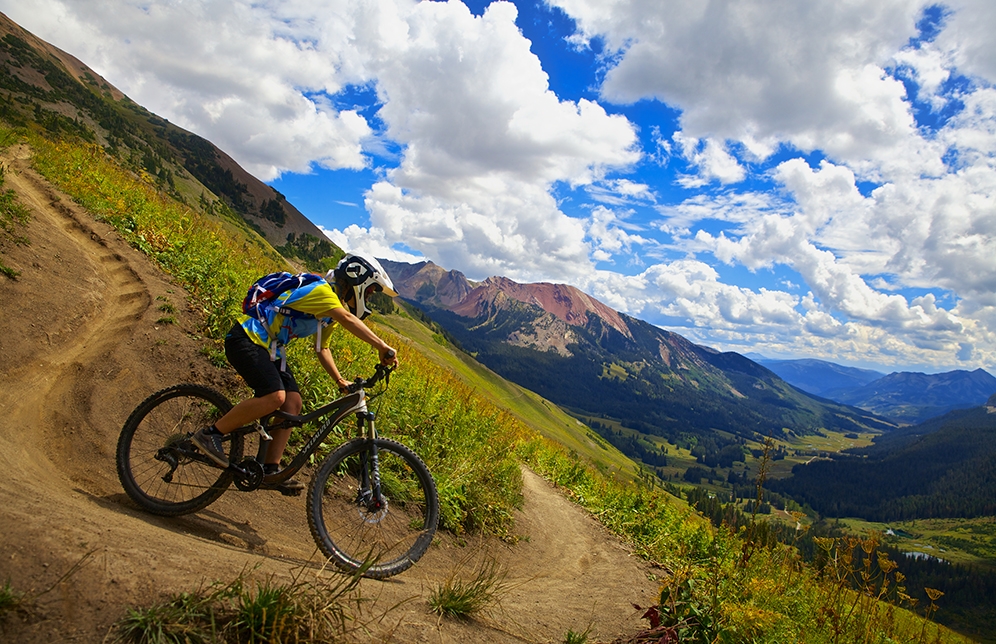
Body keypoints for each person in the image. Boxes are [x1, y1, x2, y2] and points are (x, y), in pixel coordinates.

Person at [191, 253, 399, 494]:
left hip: (270, 349)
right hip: (246, 338)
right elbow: (347, 318)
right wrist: (382, 346)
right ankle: (210, 435)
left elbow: (323, 348)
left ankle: (271, 470)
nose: (370, 296)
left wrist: (340, 380)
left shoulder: (329, 311)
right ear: (358, 279)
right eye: (371, 290)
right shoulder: (323, 293)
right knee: (275, 397)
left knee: (293, 403)